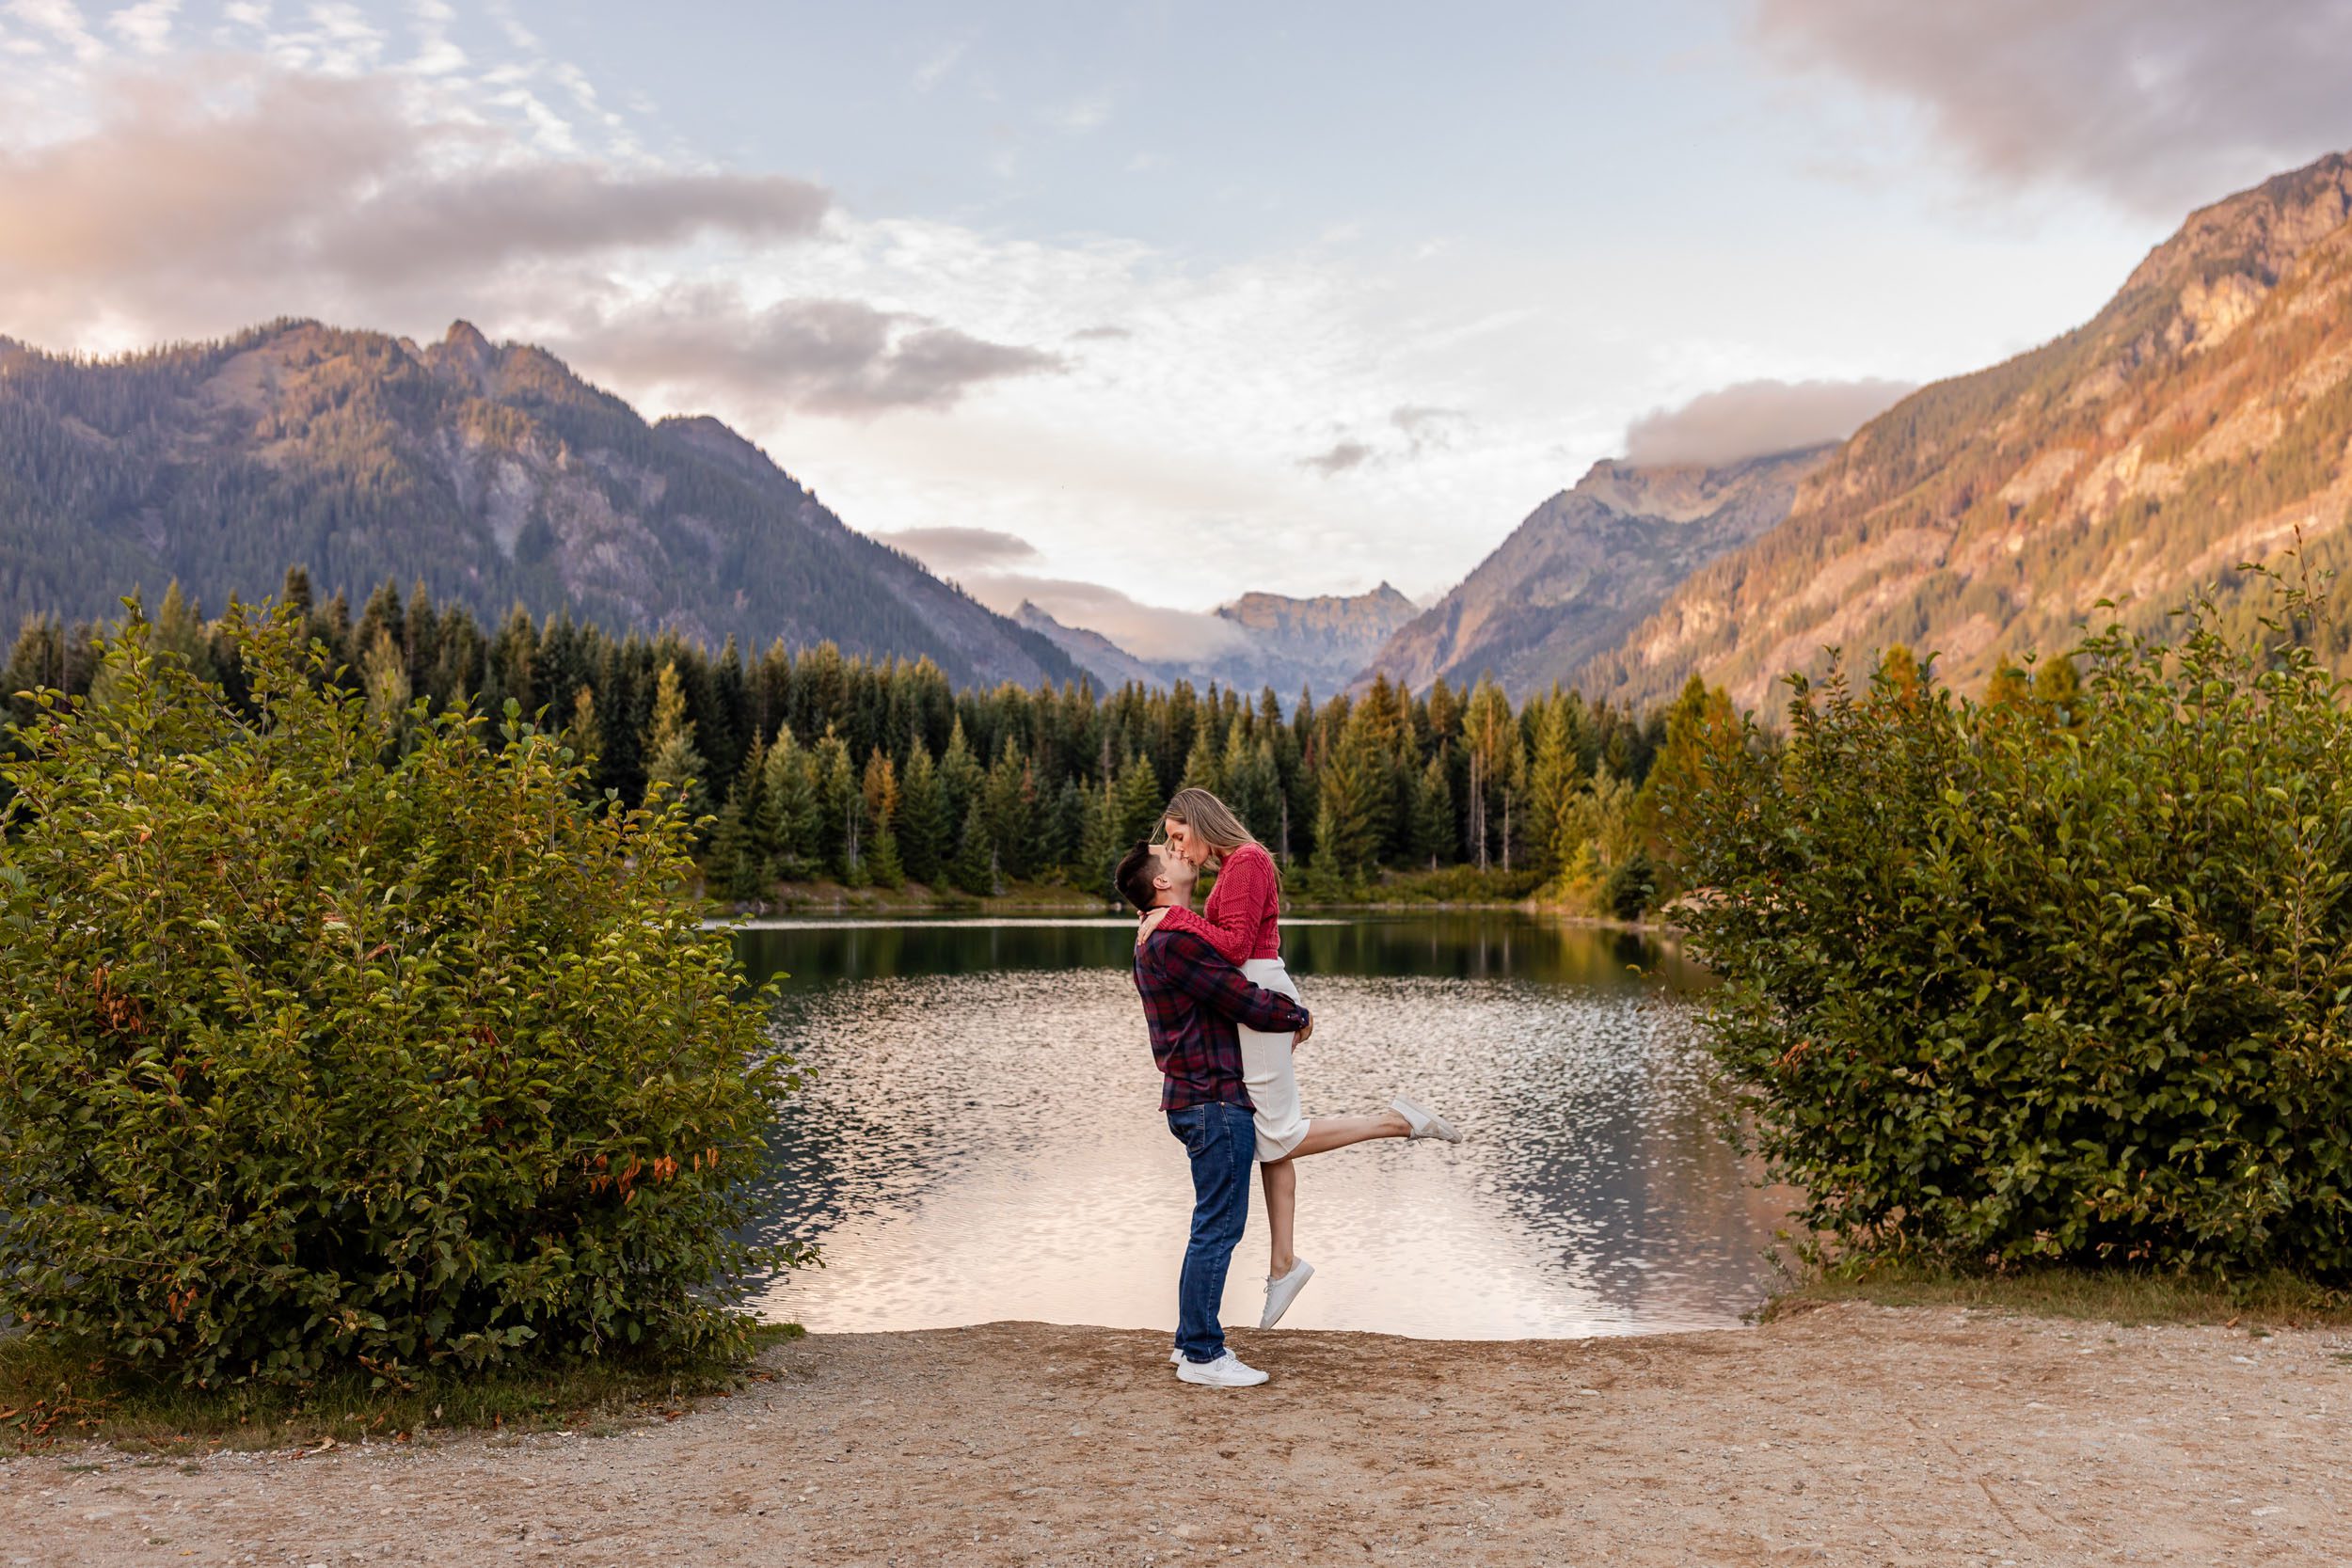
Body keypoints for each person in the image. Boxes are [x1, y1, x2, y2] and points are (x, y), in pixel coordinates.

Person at [1141, 787, 1460, 1333]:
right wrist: (1170, 916)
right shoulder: (1231, 867)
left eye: (1177, 835)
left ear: (1200, 823)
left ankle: (1396, 1122)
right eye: (1169, 841)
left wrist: (1170, 918)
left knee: (1278, 1132)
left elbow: (1238, 947)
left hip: (1259, 987)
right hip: (1256, 989)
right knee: (1267, 1132)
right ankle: (1284, 1264)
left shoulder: (1247, 860)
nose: (1175, 847)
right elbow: (1235, 943)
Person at [1119, 839, 1309, 1387]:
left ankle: (1188, 1343)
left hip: (1196, 1098)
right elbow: (1240, 997)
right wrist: (1296, 1014)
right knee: (1218, 1228)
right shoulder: (1173, 940)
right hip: (1213, 1100)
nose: (1181, 854)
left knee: (1211, 1224)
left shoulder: (1163, 932)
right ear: (1158, 881)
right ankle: (1203, 1353)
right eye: (1169, 852)